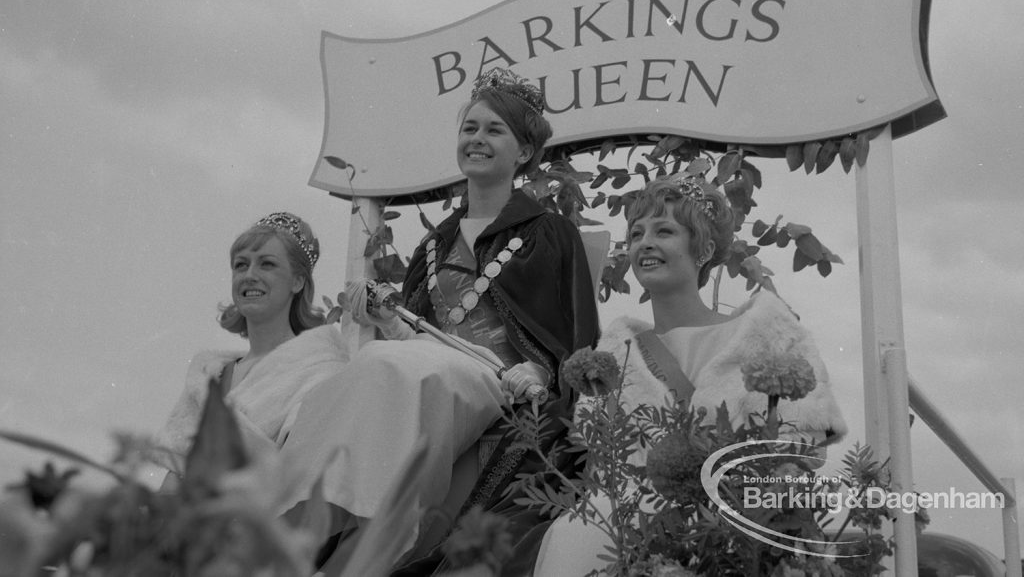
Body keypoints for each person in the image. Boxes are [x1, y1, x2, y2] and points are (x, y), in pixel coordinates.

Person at [275, 68, 601, 574]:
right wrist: (386, 317)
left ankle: (373, 519)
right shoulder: (434, 243)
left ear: (523, 152)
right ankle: (311, 510)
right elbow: (422, 331)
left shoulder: (550, 233)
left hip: (499, 383)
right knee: (348, 381)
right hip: (432, 371)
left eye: (494, 130)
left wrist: (540, 371)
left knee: (389, 366)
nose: (476, 139)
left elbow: (573, 330)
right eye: (469, 128)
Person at [532, 174, 847, 575]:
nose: (644, 242)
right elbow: (603, 479)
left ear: (704, 249)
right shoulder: (614, 354)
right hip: (631, 546)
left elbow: (800, 460)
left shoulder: (768, 332)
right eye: (635, 233)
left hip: (745, 541)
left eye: (664, 231)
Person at [157, 212, 347, 485]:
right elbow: (174, 478)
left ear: (298, 281)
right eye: (241, 265)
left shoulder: (321, 372)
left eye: (267, 264)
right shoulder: (209, 375)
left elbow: (304, 480)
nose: (250, 275)